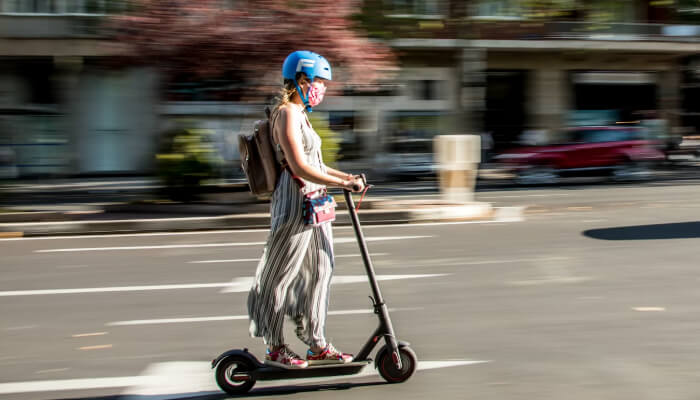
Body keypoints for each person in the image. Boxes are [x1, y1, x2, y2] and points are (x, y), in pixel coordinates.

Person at [247, 50, 365, 369]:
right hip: (295, 199)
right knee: (280, 275)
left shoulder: (302, 114)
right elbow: (299, 167)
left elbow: (317, 163)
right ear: (302, 80)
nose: (322, 89)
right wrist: (344, 185)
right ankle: (275, 347)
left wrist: (347, 178)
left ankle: (316, 344)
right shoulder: (286, 113)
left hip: (315, 201)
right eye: (319, 82)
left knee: (320, 271)